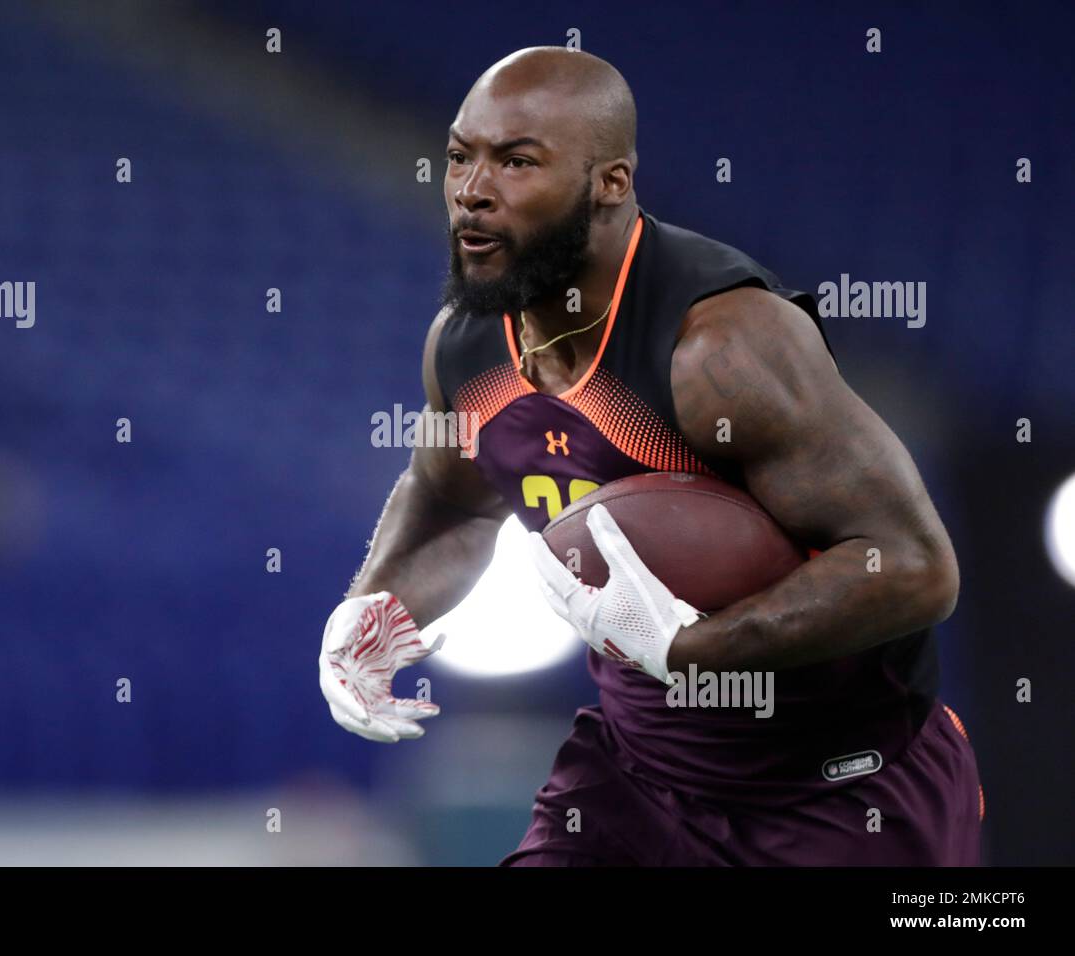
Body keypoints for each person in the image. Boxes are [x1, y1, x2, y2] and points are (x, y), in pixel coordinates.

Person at [318, 46, 981, 865]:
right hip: (635, 779)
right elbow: (451, 502)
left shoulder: (721, 349)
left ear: (611, 184)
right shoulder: (465, 348)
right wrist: (371, 610)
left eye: (516, 162)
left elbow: (914, 566)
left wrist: (691, 651)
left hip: (840, 790)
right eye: (460, 157)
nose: (470, 191)